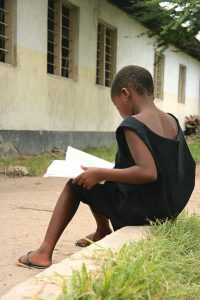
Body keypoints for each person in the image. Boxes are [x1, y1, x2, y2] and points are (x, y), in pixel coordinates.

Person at [18, 65, 195, 269]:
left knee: (76, 184)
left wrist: (101, 172)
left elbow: (148, 172)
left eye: (116, 105)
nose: (119, 111)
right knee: (98, 180)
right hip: (167, 207)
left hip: (142, 210)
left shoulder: (133, 124)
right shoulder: (172, 120)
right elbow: (170, 165)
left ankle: (43, 253)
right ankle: (102, 230)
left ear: (125, 93)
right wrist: (107, 172)